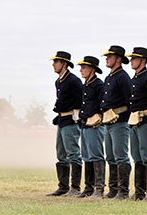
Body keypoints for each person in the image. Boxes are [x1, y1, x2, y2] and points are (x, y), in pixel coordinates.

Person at [47, 51, 83, 197]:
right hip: (62, 120)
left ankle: (75, 188)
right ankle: (63, 187)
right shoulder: (59, 81)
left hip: (71, 120)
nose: (53, 64)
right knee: (61, 154)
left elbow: (80, 100)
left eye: (56, 62)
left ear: (64, 64)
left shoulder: (73, 81)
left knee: (73, 154)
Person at [100, 45, 132, 199]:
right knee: (111, 157)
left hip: (120, 122)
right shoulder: (109, 77)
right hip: (108, 121)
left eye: (110, 56)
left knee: (121, 156)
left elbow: (129, 101)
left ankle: (123, 191)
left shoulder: (123, 77)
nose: (107, 59)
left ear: (118, 59)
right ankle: (113, 189)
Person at [127, 47, 147, 200]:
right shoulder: (135, 78)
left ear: (143, 60)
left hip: (146, 120)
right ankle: (139, 191)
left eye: (134, 58)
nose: (131, 61)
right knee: (137, 156)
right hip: (134, 121)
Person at [76, 55, 105, 198]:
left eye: (84, 67)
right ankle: (88, 188)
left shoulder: (99, 85)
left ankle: (99, 188)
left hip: (95, 125)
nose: (81, 70)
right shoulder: (86, 85)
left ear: (92, 69)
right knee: (86, 156)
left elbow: (103, 104)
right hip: (85, 124)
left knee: (96, 155)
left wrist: (99, 117)